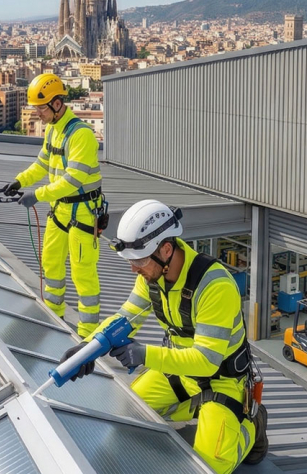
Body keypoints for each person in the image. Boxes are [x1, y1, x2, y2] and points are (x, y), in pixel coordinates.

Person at [59, 200, 267, 473]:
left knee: (212, 465)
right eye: (132, 262)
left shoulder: (215, 286)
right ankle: (201, 410)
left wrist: (144, 354)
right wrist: (88, 347)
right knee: (128, 410)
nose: (135, 270)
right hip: (179, 371)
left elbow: (206, 361)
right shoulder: (152, 276)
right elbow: (126, 318)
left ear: (166, 250)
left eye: (140, 261)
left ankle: (252, 423)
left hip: (222, 380)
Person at [6, 74, 105, 337]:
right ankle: (54, 314)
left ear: (58, 103)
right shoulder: (52, 129)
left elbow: (73, 180)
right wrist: (18, 181)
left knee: (82, 272)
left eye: (41, 107)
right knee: (51, 263)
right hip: (60, 209)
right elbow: (42, 164)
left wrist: (37, 195)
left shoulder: (81, 135)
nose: (37, 113)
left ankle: (87, 332)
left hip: (83, 211)